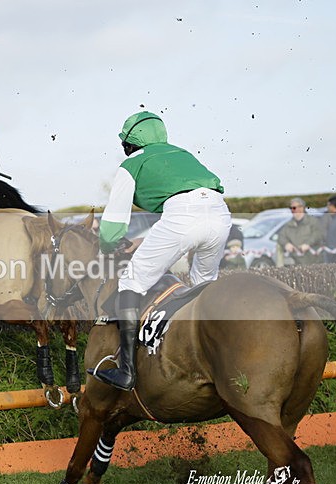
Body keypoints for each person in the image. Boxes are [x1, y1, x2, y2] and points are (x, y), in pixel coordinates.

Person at [90, 111, 232, 390]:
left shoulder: (132, 163)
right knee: (204, 281)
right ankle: (215, 354)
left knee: (132, 281)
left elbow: (114, 223)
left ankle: (127, 373)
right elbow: (187, 211)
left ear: (130, 143)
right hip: (219, 213)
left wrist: (107, 245)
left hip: (183, 217)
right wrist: (139, 244)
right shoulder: (183, 154)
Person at [277, 198, 323, 266]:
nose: (292, 210)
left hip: (313, 261)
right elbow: (281, 236)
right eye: (291, 208)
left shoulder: (313, 222)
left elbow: (318, 234)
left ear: (302, 208)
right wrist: (286, 244)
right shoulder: (289, 224)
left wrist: (308, 244)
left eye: (294, 208)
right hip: (295, 263)